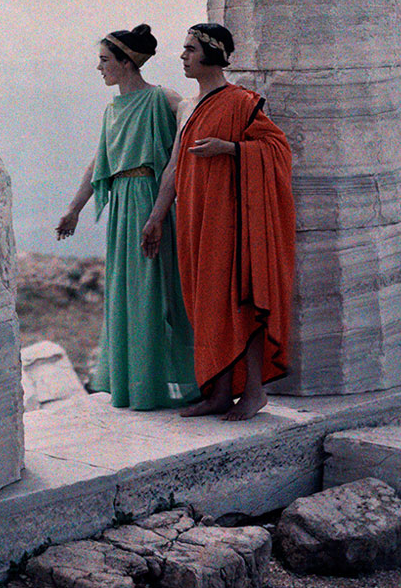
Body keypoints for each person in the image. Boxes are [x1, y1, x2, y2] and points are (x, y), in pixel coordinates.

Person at [141, 23, 295, 421]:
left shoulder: (243, 102)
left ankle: (255, 391)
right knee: (207, 304)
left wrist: (229, 149)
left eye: (190, 49)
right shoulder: (188, 107)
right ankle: (220, 392)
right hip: (195, 218)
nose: (183, 56)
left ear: (211, 53)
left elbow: (277, 150)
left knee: (242, 300)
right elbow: (174, 166)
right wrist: (156, 217)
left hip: (233, 221)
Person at [56, 24, 199, 409]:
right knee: (128, 293)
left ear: (126, 62)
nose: (100, 67)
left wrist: (191, 117)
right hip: (121, 208)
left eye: (105, 60)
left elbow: (192, 108)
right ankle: (137, 385)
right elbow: (98, 163)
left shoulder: (159, 98)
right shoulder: (112, 110)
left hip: (153, 203)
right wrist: (73, 209)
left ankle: (180, 381)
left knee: (158, 291)